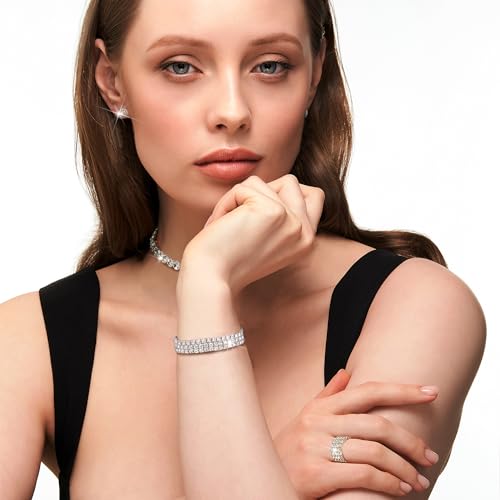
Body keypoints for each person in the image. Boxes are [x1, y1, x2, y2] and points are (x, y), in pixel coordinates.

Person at [0, 0, 486, 499]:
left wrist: (207, 287)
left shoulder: (412, 307)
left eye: (270, 66)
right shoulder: (28, 342)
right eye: (180, 67)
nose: (232, 112)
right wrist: (276, 472)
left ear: (315, 73)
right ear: (112, 80)